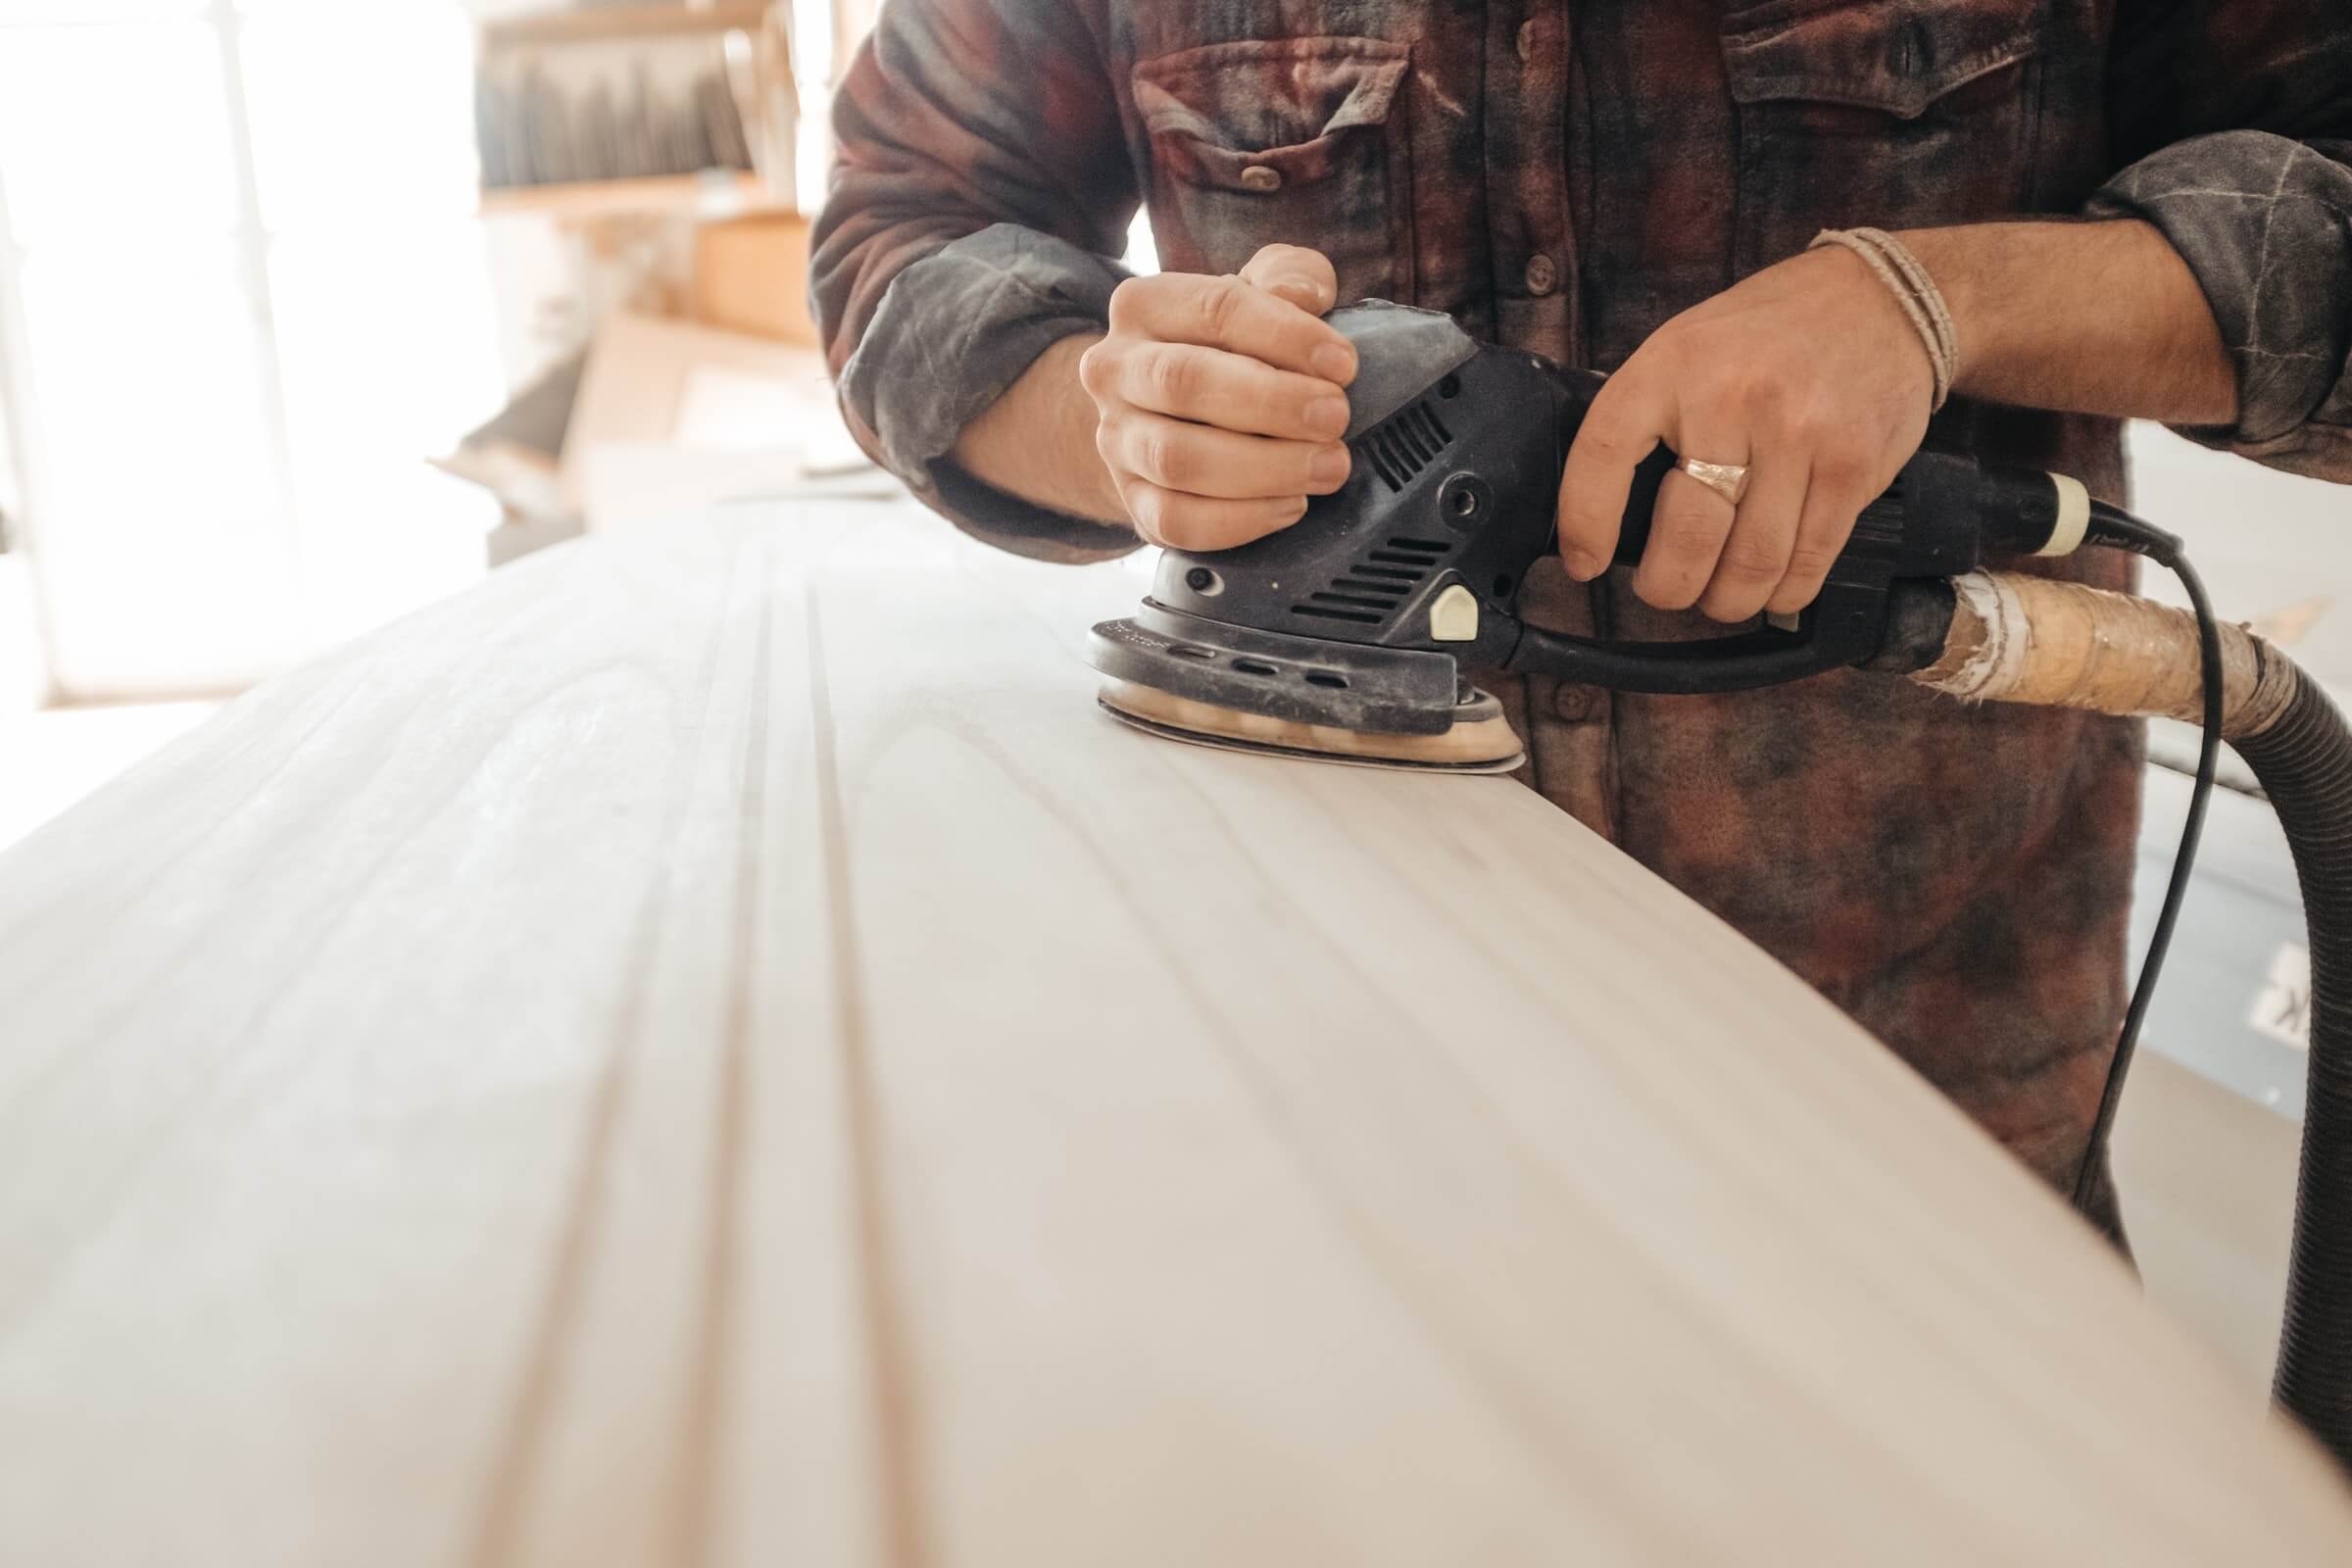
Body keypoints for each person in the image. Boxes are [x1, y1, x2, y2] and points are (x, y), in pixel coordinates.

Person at [811, 3, 2352, 1235]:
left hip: (1910, 1102)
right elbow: (900, 233)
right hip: (1317, 1076)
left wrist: (1939, 302)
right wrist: (1126, 427)